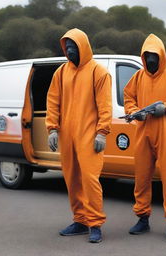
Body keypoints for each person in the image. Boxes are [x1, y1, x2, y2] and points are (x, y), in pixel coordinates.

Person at [45, 28, 112, 243]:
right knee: (72, 179)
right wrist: (52, 129)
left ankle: (95, 224)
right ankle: (80, 220)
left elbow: (105, 106)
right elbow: (53, 102)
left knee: (90, 180)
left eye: (74, 46)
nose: (71, 50)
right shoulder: (61, 72)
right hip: (67, 135)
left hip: (90, 135)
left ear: (83, 47)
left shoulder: (98, 72)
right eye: (68, 47)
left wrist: (102, 133)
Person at [124, 33, 166, 241]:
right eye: (147, 55)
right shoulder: (137, 77)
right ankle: (142, 218)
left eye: (154, 54)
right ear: (142, 56)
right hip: (143, 132)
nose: (151, 59)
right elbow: (128, 97)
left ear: (162, 55)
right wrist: (135, 111)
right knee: (142, 177)